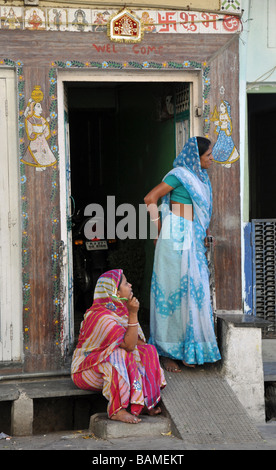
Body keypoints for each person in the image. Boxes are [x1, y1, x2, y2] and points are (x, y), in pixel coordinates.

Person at [144, 136, 221, 372]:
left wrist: (205, 233)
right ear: (196, 157)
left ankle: (191, 349)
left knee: (195, 293)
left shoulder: (201, 179)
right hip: (174, 236)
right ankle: (168, 353)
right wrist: (157, 232)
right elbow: (150, 198)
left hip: (193, 239)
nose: (211, 159)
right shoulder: (178, 174)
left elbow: (203, 213)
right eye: (208, 156)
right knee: (171, 293)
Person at [71, 269, 166, 424]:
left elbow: (138, 344)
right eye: (125, 283)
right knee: (119, 355)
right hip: (85, 371)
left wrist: (131, 315)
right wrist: (134, 314)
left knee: (147, 351)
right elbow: (128, 346)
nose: (130, 285)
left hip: (107, 365)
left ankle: (143, 402)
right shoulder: (100, 316)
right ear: (115, 291)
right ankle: (116, 410)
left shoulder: (122, 311)